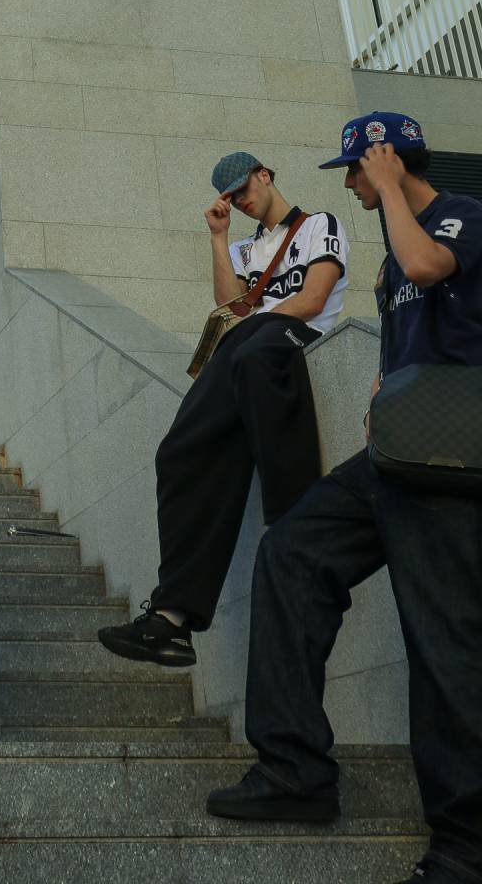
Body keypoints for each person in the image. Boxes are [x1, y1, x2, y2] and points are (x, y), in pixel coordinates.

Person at [207, 112, 482, 884]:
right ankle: (295, 770)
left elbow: (429, 266)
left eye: (356, 169)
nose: (351, 183)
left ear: (387, 159)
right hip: (398, 446)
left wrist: (395, 188)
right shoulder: (395, 250)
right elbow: (408, 316)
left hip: (455, 454)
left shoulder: (458, 218)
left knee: (443, 641)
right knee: (290, 554)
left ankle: (465, 847)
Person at [99, 149, 348, 668]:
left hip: (290, 341)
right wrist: (217, 237)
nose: (242, 200)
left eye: (246, 188)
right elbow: (230, 311)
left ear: (266, 174)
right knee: (179, 453)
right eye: (233, 196)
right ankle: (172, 619)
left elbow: (313, 299)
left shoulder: (318, 224)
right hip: (250, 355)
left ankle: (298, 532)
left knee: (254, 343)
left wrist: (258, 320)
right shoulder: (243, 248)